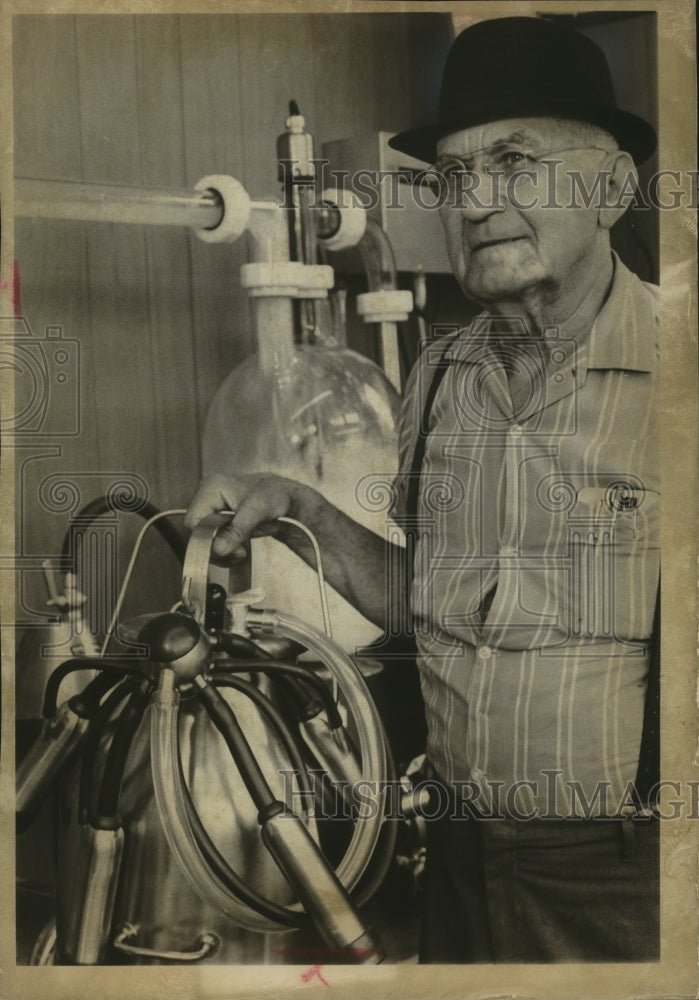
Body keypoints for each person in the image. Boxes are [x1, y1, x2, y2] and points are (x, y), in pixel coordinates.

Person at [186, 16, 660, 963]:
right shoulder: (437, 379)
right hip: (453, 854)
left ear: (611, 188)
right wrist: (300, 510)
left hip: (622, 874)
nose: (476, 201)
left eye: (515, 161)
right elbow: (428, 609)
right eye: (452, 176)